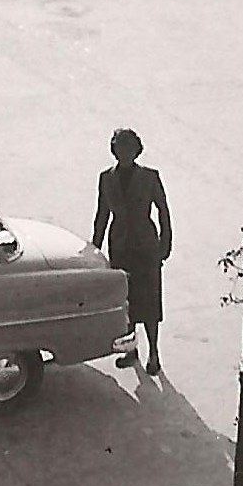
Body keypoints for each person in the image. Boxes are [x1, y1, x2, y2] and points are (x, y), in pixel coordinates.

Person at [92, 128, 172, 374]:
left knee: (150, 301)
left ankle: (154, 353)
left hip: (146, 246)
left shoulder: (150, 176)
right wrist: (95, 248)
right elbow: (102, 214)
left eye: (128, 148)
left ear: (137, 150)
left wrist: (165, 242)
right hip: (120, 246)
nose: (124, 153)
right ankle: (131, 349)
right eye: (119, 148)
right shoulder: (106, 178)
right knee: (126, 301)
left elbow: (163, 209)